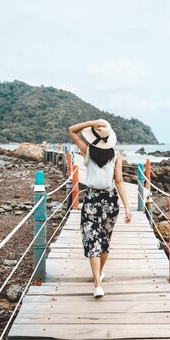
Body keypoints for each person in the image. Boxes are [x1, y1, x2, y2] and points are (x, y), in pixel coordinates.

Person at [68, 119, 132, 298]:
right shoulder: (116, 155)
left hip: (92, 200)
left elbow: (72, 130)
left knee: (94, 241)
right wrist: (127, 207)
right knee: (102, 241)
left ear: (93, 137)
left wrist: (92, 123)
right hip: (110, 201)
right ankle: (97, 282)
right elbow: (118, 182)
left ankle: (98, 278)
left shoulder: (87, 151)